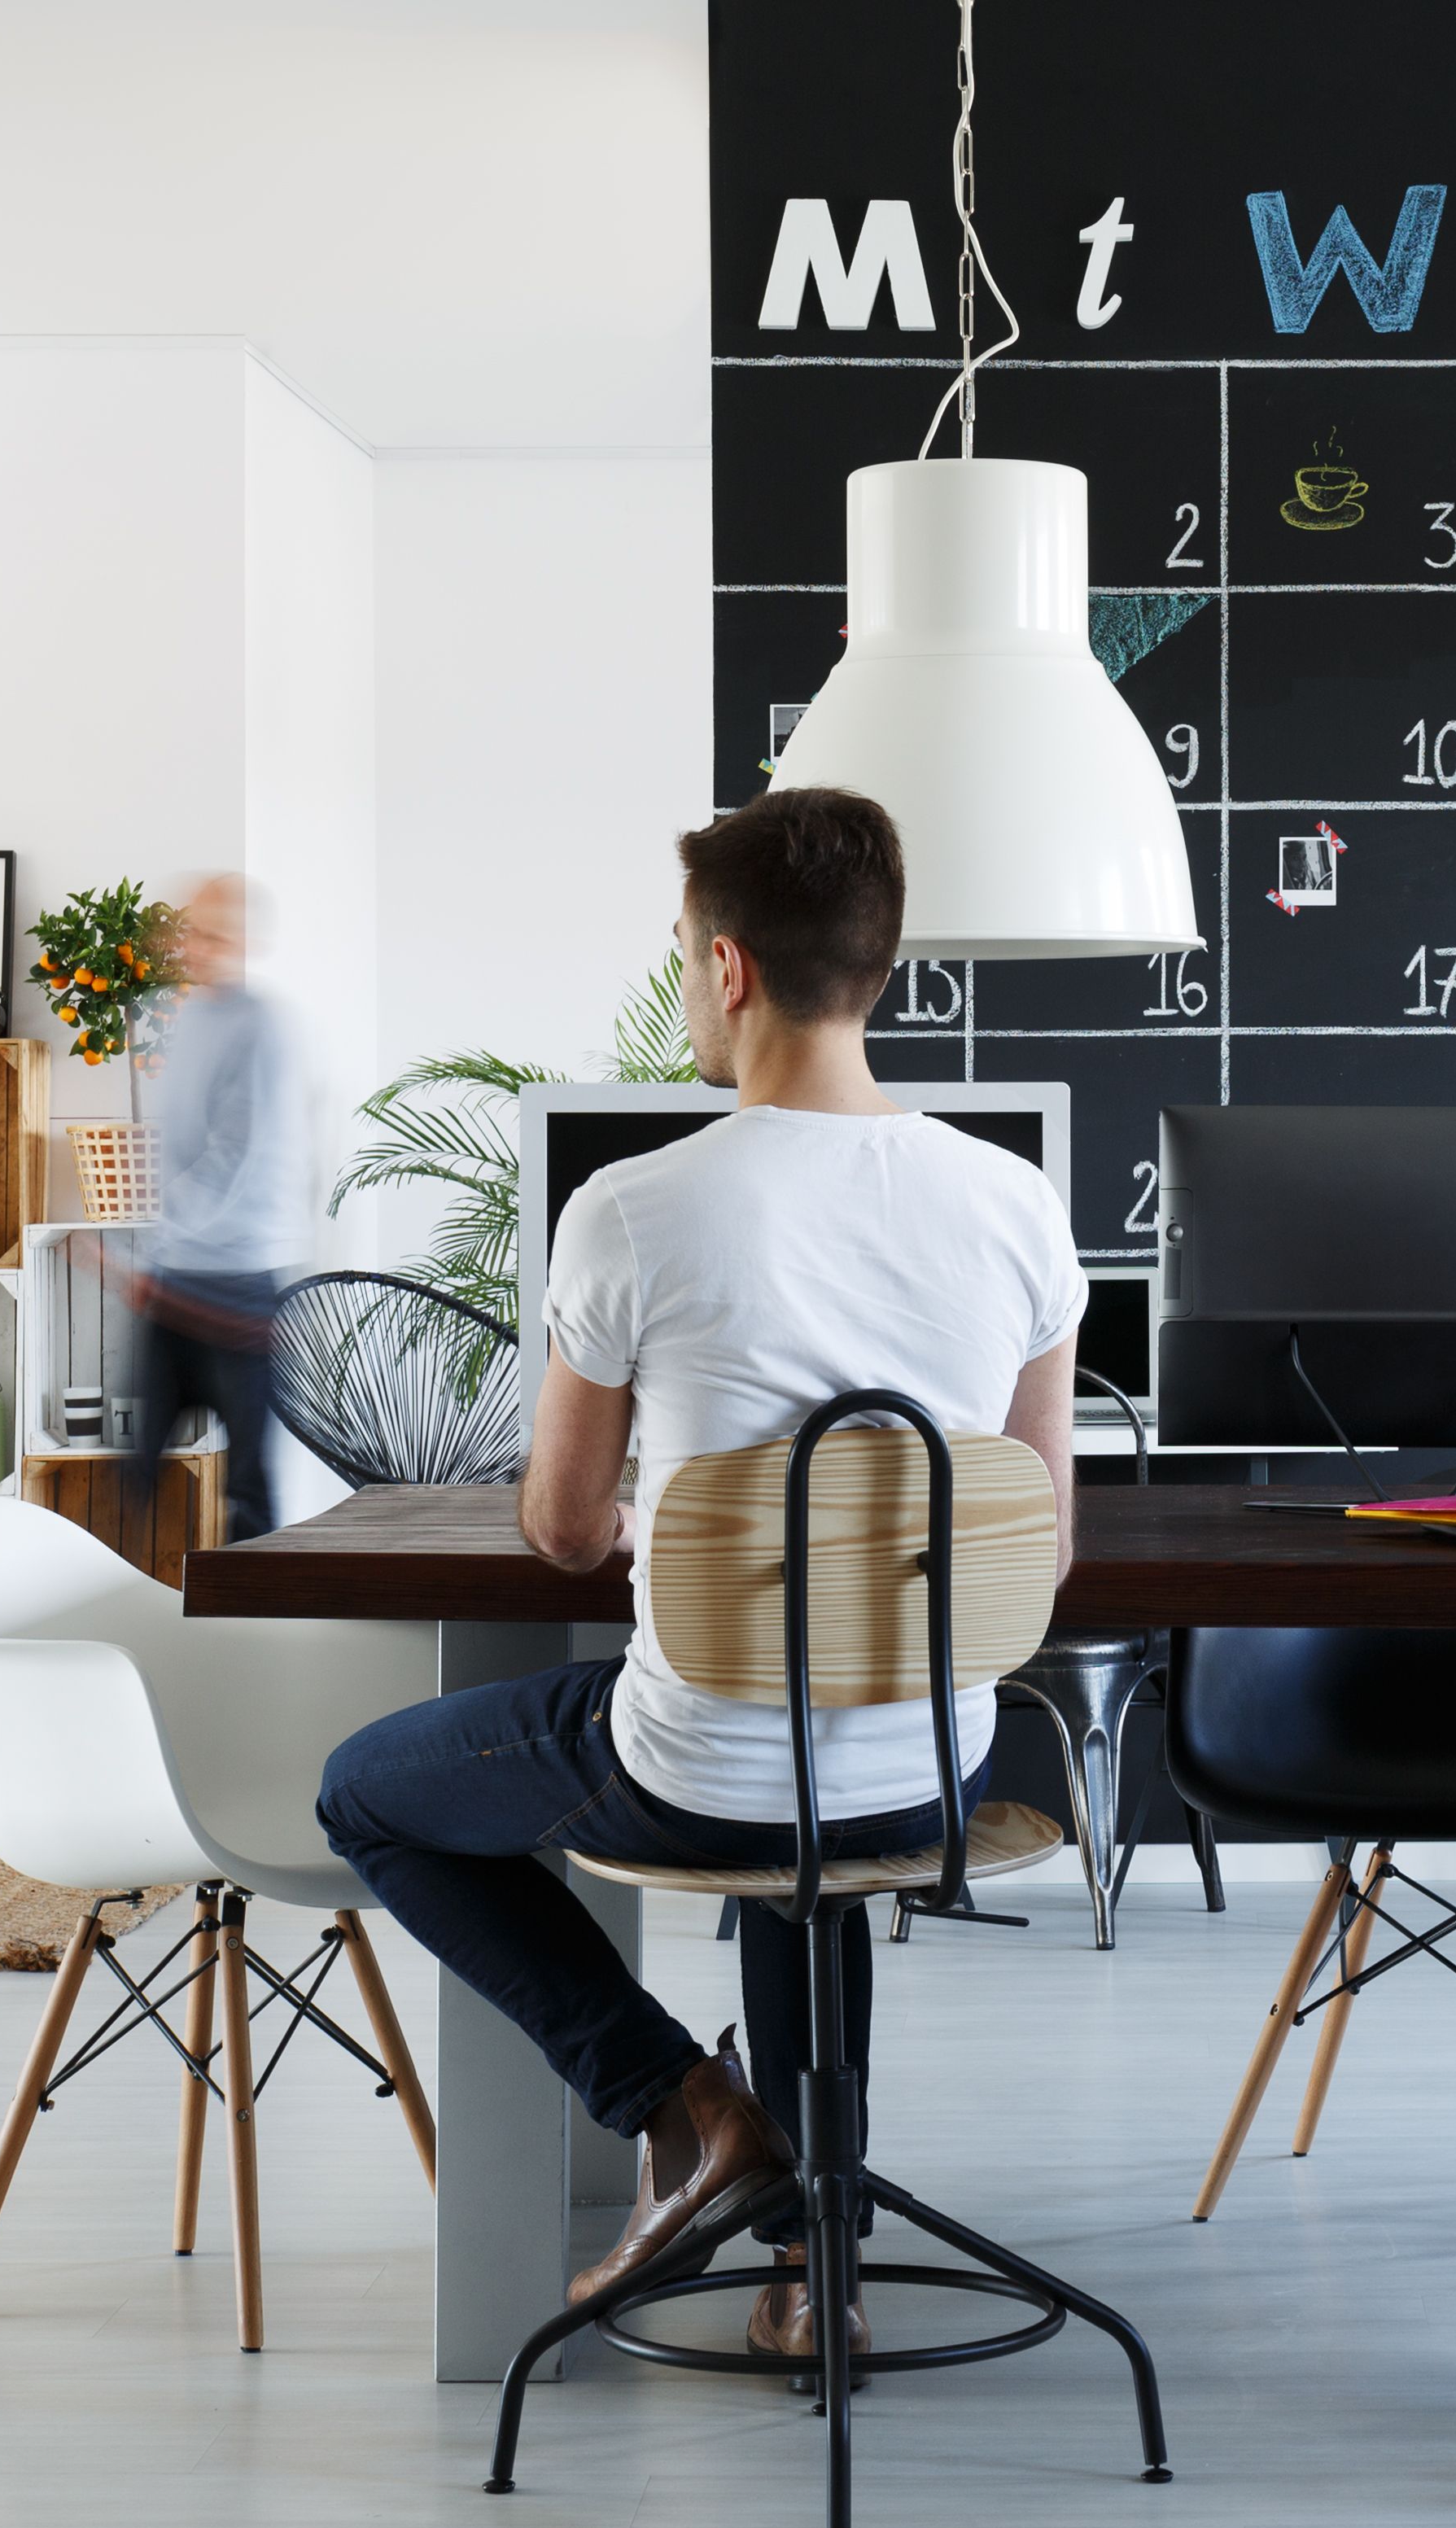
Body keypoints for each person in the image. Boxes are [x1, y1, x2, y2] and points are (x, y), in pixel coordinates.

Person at [313, 788, 1081, 2357]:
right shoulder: (1016, 1204)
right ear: (880, 964)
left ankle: (678, 2100)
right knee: (817, 1843)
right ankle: (820, 2273)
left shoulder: (635, 1208)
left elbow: (564, 1530)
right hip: (930, 1765)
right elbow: (1036, 1534)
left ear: (727, 970)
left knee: (367, 1793)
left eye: (683, 957)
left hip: (699, 1766)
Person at [125, 873, 310, 1541]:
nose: (198, 946)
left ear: (244, 941)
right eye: (193, 931)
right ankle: (121, 1607)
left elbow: (236, 1153)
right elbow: (178, 1143)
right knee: (138, 1464)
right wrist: (158, 1250)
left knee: (248, 1483)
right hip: (177, 1274)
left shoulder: (263, 1027)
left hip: (238, 1282)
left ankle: (255, 1625)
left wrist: (156, 1234)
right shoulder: (182, 1014)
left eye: (215, 934)